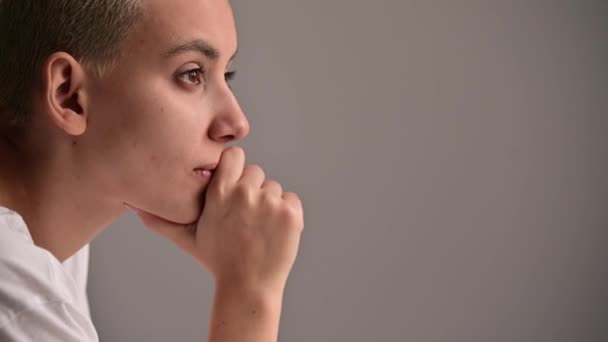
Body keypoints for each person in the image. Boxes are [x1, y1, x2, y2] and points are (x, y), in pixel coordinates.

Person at [0, 0, 305, 340]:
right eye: (192, 74)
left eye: (227, 75)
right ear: (68, 94)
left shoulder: (42, 260)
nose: (237, 124)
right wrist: (250, 292)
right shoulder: (19, 306)